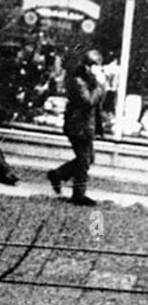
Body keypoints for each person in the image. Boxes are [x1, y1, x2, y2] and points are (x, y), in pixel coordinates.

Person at [48, 49, 106, 207]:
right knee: (84, 160)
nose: (98, 70)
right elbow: (88, 101)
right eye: (96, 66)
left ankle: (58, 174)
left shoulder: (89, 80)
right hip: (77, 126)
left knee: (87, 159)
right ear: (88, 67)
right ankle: (78, 195)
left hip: (85, 126)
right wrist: (100, 84)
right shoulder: (78, 81)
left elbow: (98, 100)